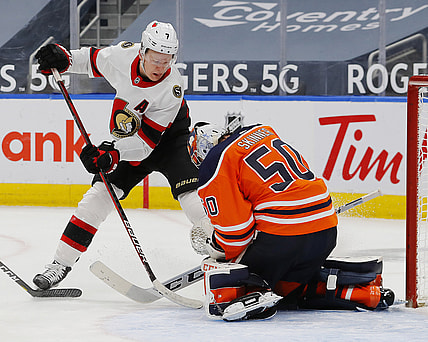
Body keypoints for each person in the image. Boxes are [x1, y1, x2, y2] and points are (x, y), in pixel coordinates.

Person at [32, 21, 207, 290]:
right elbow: (91, 60)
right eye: (156, 59)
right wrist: (63, 59)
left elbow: (147, 145)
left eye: (167, 60)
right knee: (96, 198)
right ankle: (59, 264)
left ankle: (230, 252)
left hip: (170, 142)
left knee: (192, 198)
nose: (161, 67)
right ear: (142, 52)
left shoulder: (172, 87)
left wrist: (111, 154)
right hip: (128, 142)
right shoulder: (122, 56)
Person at [187, 121, 394, 321]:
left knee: (223, 278)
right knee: (286, 291)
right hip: (325, 232)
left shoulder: (215, 161)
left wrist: (217, 248)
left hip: (282, 241)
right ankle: (364, 292)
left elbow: (236, 234)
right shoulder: (263, 132)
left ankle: (253, 290)